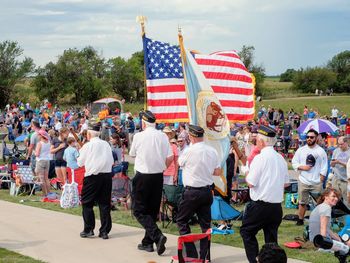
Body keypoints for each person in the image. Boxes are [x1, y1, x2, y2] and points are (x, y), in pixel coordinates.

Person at [240, 125, 289, 263]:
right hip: (276, 206)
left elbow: (251, 182)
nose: (256, 143)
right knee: (271, 240)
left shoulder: (260, 158)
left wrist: (246, 171)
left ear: (261, 141)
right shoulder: (280, 159)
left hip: (260, 205)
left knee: (247, 232)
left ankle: (255, 260)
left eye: (257, 140)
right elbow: (285, 183)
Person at [129, 110, 173, 255]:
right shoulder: (162, 136)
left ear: (143, 122)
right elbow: (170, 157)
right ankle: (148, 242)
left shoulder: (139, 136)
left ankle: (157, 235)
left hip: (143, 176)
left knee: (139, 210)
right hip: (157, 176)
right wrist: (163, 167)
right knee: (152, 210)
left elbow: (132, 154)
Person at [177, 125, 221, 260]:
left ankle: (191, 254)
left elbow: (180, 164)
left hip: (192, 191)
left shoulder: (188, 151)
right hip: (207, 190)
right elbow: (218, 172)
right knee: (205, 225)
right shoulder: (212, 151)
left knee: (181, 220)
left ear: (191, 137)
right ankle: (205, 256)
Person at [77, 125, 114, 240]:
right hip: (106, 175)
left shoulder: (88, 146)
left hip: (92, 176)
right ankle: (104, 231)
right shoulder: (106, 144)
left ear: (88, 134)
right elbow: (111, 160)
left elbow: (80, 163)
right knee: (104, 204)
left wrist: (80, 151)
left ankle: (88, 229)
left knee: (87, 203)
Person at [292, 129, 328, 226]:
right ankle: (300, 220)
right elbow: (294, 162)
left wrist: (321, 179)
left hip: (316, 182)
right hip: (303, 180)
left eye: (311, 137)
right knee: (302, 202)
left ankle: (319, 221)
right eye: (307, 137)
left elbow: (324, 166)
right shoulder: (301, 150)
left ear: (316, 138)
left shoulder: (321, 151)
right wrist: (302, 167)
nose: (309, 139)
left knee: (319, 203)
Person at [331, 136, 350, 206]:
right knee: (334, 198)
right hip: (336, 178)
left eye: (341, 144)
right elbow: (332, 163)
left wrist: (339, 162)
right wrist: (332, 163)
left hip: (346, 180)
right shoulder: (336, 151)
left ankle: (347, 215)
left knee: (347, 200)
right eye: (339, 144)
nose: (340, 146)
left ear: (346, 142)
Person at [34, 129, 51, 196]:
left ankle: (44, 193)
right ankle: (49, 193)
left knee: (41, 178)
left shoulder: (40, 143)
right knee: (46, 178)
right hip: (47, 160)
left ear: (41, 136)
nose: (38, 136)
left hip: (40, 160)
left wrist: (34, 152)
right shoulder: (48, 142)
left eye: (38, 134)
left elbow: (37, 154)